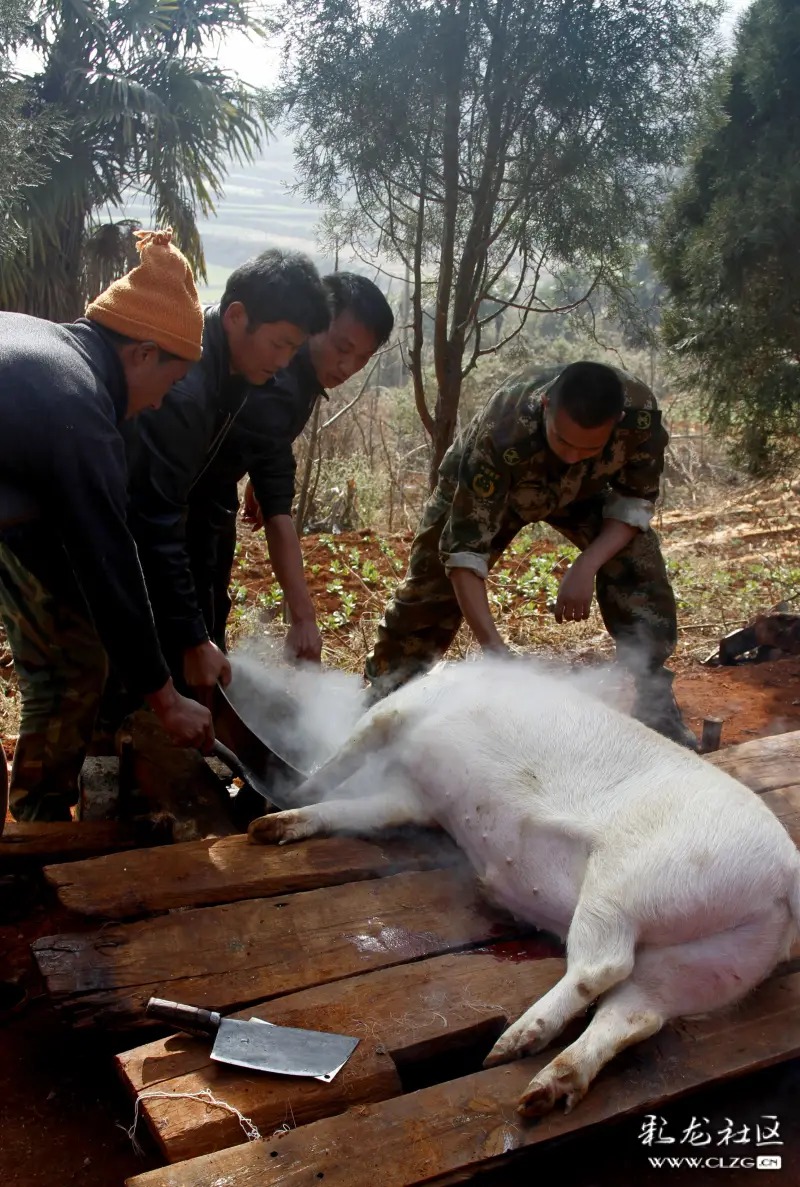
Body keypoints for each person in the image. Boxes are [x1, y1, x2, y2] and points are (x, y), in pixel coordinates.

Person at [364, 360, 698, 750]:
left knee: (638, 559)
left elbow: (633, 504)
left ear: (618, 420)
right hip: (496, 489)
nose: (573, 455)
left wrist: (586, 565)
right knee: (430, 588)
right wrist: (495, 651)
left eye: (589, 447)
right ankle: (385, 697)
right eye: (563, 441)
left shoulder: (640, 417)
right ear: (544, 405)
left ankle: (653, 698)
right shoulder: (501, 430)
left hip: (585, 492)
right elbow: (464, 552)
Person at [0, 229, 213, 823]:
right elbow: (107, 557)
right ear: (143, 353)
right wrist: (166, 700)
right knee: (70, 670)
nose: (161, 403)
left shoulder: (43, 347)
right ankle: (37, 842)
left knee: (76, 655)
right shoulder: (77, 403)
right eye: (169, 383)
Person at [124, 248, 331, 695]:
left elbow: (274, 480)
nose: (282, 362)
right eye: (278, 344)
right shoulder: (186, 385)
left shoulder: (249, 374)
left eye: (293, 350)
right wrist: (193, 638)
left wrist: (301, 614)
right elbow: (156, 519)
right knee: (83, 672)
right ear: (236, 316)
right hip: (83, 514)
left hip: (162, 517)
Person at [184, 272, 394, 663]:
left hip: (208, 497)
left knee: (207, 616)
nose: (348, 365)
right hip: (181, 503)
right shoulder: (276, 377)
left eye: (363, 358)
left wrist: (254, 470)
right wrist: (303, 616)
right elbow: (278, 508)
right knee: (187, 626)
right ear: (313, 324)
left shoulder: (298, 374)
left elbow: (266, 444)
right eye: (341, 347)